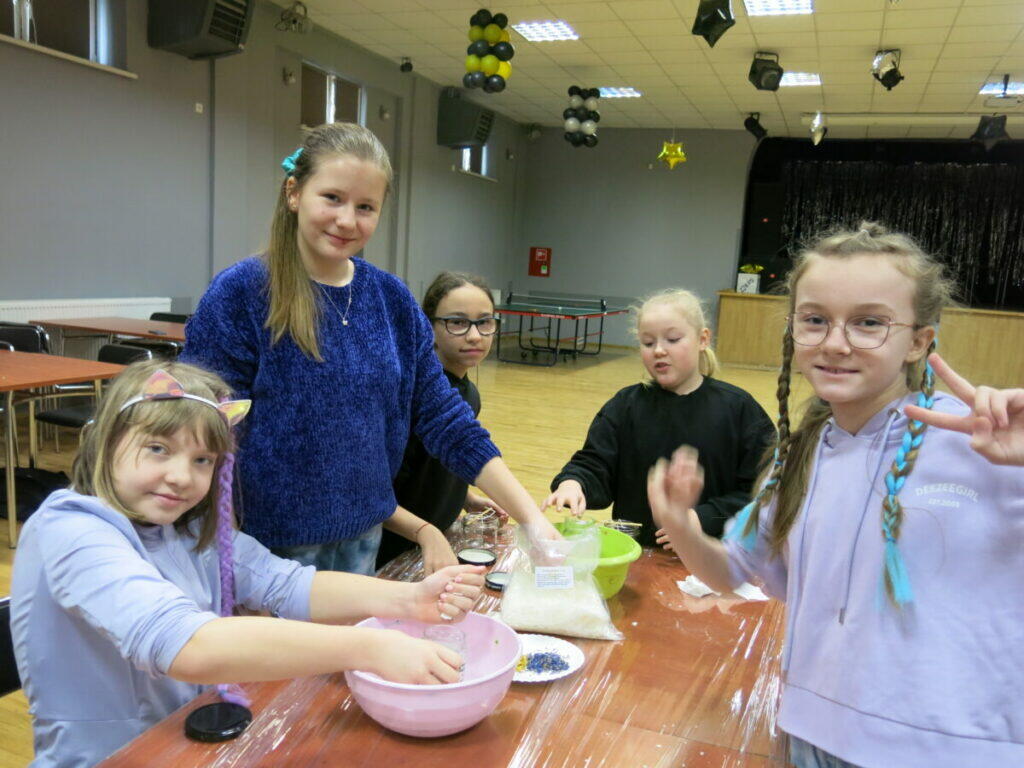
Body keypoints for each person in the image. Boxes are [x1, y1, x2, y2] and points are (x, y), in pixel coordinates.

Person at [648, 223, 1024, 768]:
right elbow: (730, 572)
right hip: (813, 738)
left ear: (919, 340)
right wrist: (681, 523)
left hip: (954, 750)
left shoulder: (985, 445)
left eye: (869, 322)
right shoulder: (798, 459)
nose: (835, 343)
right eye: (815, 320)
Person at [9, 361, 485, 768]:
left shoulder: (184, 527)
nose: (181, 477)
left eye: (202, 460)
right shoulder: (71, 531)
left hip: (187, 746)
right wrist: (369, 647)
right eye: (158, 449)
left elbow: (286, 584)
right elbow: (188, 646)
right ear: (106, 441)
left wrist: (408, 599)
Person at [181, 122, 557, 574]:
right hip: (261, 548)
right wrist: (225, 552)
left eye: (365, 207)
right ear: (294, 193)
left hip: (364, 539)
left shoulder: (391, 299)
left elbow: (446, 419)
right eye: (332, 198)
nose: (347, 220)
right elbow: (205, 427)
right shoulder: (241, 293)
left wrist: (532, 519)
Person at [544, 288, 774, 546]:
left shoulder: (739, 408)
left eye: (673, 339)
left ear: (702, 339)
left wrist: (703, 518)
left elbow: (763, 490)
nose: (659, 350)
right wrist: (574, 483)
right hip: (638, 551)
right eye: (648, 343)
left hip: (714, 555)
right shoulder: (625, 406)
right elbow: (595, 462)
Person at [376, 271, 506, 573]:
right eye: (457, 322)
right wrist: (424, 532)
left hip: (434, 543)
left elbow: (433, 467)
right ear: (428, 326)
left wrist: (466, 498)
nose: (474, 336)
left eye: (484, 322)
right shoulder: (411, 397)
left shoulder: (469, 393)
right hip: (392, 550)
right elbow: (376, 492)